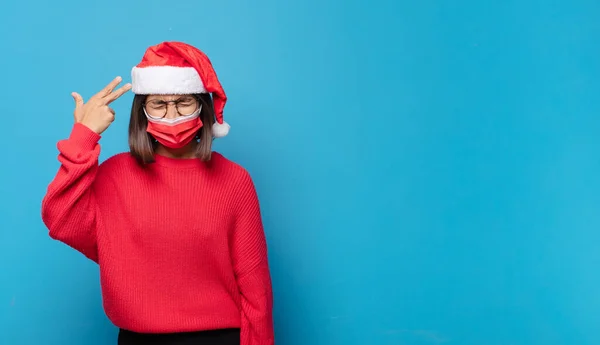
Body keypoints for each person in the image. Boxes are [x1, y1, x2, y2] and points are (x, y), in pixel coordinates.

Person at [41, 41, 275, 345]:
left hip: (220, 338)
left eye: (183, 103)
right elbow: (59, 217)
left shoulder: (234, 180)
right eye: (159, 104)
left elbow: (255, 286)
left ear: (202, 107)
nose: (172, 115)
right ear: (143, 111)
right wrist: (84, 136)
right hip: (138, 338)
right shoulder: (115, 175)